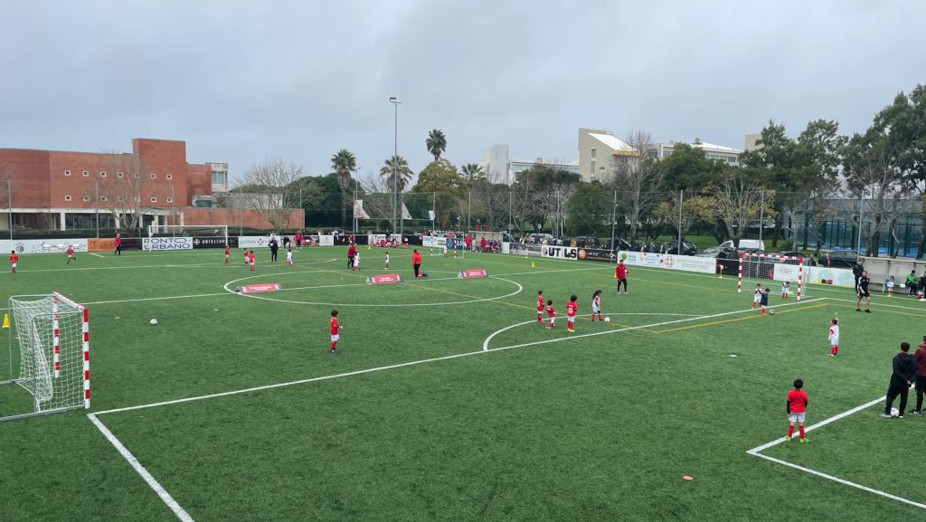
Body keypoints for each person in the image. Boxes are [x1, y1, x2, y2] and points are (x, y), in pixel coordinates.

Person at [882, 341, 918, 418]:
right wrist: (910, 380)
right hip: (906, 383)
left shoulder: (896, 358)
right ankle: (901, 414)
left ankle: (887, 413)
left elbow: (896, 371)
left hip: (896, 382)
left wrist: (905, 380)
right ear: (908, 349)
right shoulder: (913, 359)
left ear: (901, 348)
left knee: (890, 396)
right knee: (904, 397)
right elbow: (915, 371)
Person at [785, 379, 809, 443]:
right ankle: (802, 438)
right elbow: (806, 402)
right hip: (801, 411)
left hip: (793, 411)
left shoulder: (790, 393)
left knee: (792, 423)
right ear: (802, 386)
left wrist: (788, 412)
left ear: (794, 385)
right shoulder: (804, 394)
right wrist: (804, 407)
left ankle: (789, 437)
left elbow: (788, 403)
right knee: (801, 424)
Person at [912, 336, 926, 415]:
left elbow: (914, 361)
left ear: (923, 341)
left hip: (921, 374)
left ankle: (918, 410)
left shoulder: (920, 350)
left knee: (919, 392)